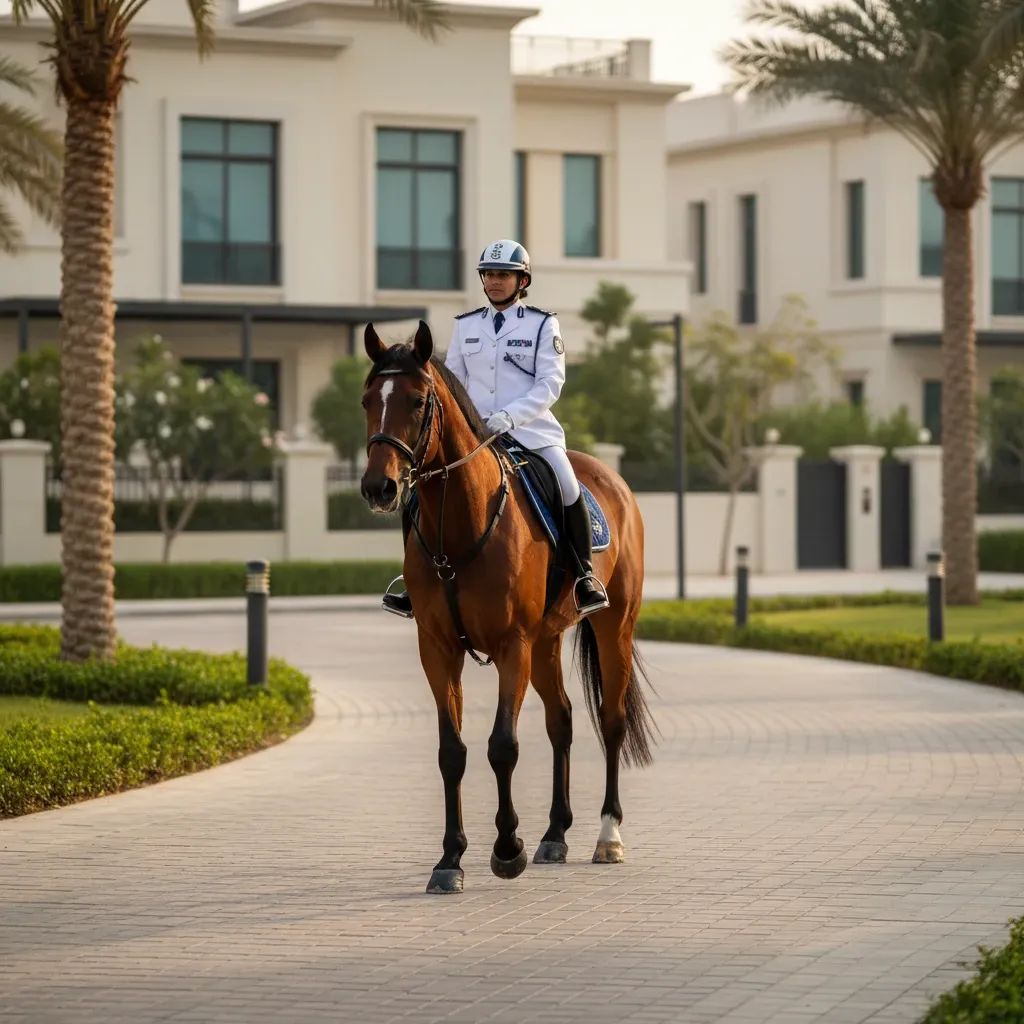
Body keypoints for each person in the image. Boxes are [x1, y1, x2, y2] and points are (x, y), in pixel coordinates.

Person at [382, 238, 610, 619]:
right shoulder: (467, 325)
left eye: (504, 275)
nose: (495, 282)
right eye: (489, 274)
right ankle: (412, 580)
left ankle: (584, 576)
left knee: (567, 484)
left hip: (530, 431)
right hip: (475, 434)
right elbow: (451, 384)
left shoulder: (542, 324)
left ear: (522, 281)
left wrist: (511, 415)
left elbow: (549, 384)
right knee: (419, 491)